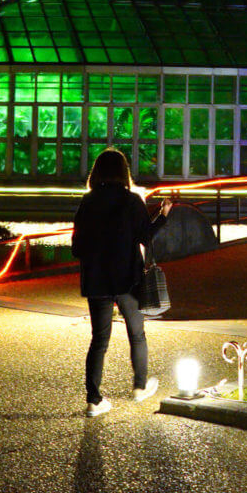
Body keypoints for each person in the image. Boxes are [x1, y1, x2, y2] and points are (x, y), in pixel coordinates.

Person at [72, 148, 172, 417]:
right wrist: (162, 215)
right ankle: (139, 387)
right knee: (136, 334)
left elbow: (77, 247)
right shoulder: (131, 201)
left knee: (99, 340)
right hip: (127, 278)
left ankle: (93, 400)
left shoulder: (88, 202)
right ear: (123, 172)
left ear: (97, 172)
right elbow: (145, 236)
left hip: (96, 281)